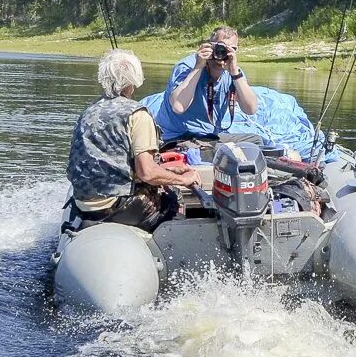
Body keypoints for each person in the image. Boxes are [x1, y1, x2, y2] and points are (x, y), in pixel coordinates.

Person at [67, 48, 195, 229]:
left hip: (83, 203)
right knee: (172, 197)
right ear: (135, 78)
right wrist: (183, 180)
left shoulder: (90, 111)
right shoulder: (138, 114)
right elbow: (147, 173)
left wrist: (171, 171)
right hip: (114, 208)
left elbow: (110, 163)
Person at [152, 24, 260, 146]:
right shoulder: (187, 67)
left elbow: (251, 109)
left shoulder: (234, 71)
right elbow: (178, 107)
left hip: (209, 137)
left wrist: (235, 74)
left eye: (232, 49)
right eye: (221, 47)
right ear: (210, 46)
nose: (224, 53)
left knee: (255, 141)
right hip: (177, 136)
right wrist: (198, 67)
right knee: (214, 150)